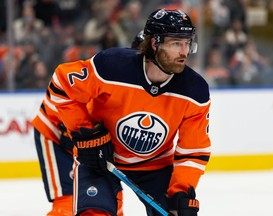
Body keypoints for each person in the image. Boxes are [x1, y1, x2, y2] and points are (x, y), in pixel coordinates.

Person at [45, 8, 211, 216]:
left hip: (155, 166)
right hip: (101, 158)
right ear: (154, 43)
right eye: (176, 43)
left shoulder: (195, 90)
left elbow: (193, 150)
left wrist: (182, 192)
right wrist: (84, 132)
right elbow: (62, 83)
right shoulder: (111, 66)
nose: (184, 52)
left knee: (177, 211)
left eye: (187, 43)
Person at [31, 29, 149, 216]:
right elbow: (70, 113)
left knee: (110, 201)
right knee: (69, 201)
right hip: (57, 134)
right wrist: (89, 143)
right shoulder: (113, 75)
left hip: (92, 142)